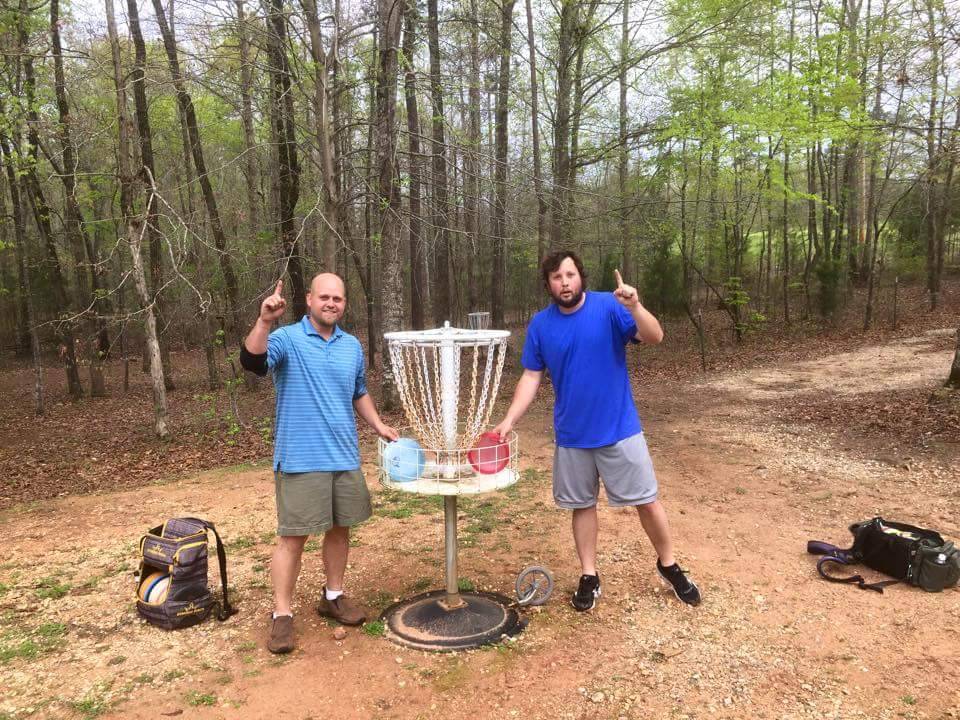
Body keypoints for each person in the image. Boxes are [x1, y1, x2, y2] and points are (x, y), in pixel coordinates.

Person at [493, 251, 701, 611]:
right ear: (548, 285)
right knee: (582, 506)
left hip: (620, 429)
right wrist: (510, 419)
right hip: (573, 435)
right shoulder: (541, 325)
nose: (565, 282)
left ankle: (668, 565)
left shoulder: (610, 306)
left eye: (570, 274)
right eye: (557, 277)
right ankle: (589, 576)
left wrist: (635, 306)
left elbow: (655, 336)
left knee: (647, 501)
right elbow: (531, 375)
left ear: (580, 277)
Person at [240, 273, 398, 653]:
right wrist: (264, 321)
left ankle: (333, 596)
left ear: (344, 303)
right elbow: (252, 363)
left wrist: (378, 425)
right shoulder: (287, 339)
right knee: (293, 538)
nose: (331, 303)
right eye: (324, 297)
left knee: (340, 530)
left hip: (343, 456)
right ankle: (282, 615)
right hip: (300, 458)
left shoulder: (351, 346)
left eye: (338, 299)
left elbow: (358, 391)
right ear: (309, 299)